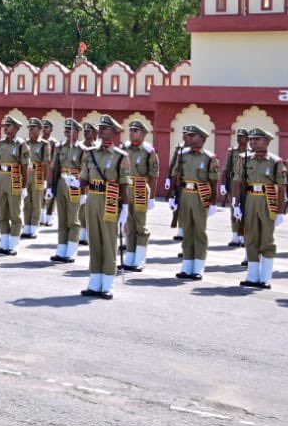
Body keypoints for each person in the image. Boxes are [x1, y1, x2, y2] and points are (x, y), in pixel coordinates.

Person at [77, 115, 134, 298]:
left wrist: (125, 207)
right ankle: (94, 282)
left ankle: (108, 283)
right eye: (100, 127)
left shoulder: (120, 156)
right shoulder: (89, 153)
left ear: (115, 132)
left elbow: (124, 184)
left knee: (109, 242)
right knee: (94, 241)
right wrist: (75, 183)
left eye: (106, 128)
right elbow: (84, 179)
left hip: (110, 198)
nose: (101, 130)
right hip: (93, 198)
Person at [231, 127, 286, 290]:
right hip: (249, 200)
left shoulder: (276, 161)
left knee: (266, 239)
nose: (253, 142)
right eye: (252, 140)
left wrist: (281, 211)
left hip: (268, 201)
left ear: (267, 141)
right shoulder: (244, 158)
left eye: (257, 139)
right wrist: (236, 204)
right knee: (250, 237)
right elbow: (237, 182)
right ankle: (253, 275)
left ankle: (265, 277)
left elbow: (282, 188)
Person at [165, 125, 218, 280]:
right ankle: (187, 266)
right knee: (187, 230)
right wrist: (174, 197)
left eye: (193, 136)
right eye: (188, 136)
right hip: (185, 195)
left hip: (200, 195)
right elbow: (177, 177)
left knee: (199, 231)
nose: (189, 138)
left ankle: (198, 267)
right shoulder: (183, 155)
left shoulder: (209, 158)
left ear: (202, 138)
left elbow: (213, 182)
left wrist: (213, 203)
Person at [120, 120, 158, 273]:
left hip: (141, 188)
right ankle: (130, 256)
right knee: (128, 224)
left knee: (140, 225)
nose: (132, 133)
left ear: (143, 134)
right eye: (131, 130)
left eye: (135, 130)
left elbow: (154, 175)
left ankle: (140, 259)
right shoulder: (124, 148)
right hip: (126, 188)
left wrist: (152, 198)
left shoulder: (149, 151)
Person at [49, 120, 86, 263]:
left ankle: (71, 251)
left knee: (73, 219)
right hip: (61, 182)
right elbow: (54, 167)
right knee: (62, 219)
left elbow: (85, 172)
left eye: (69, 129)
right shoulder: (59, 147)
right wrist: (51, 186)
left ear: (77, 132)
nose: (66, 132)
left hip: (75, 183)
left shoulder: (82, 150)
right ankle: (61, 250)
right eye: (65, 129)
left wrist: (83, 192)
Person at [0, 114, 27, 255]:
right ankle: (4, 243)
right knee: (2, 213)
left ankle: (14, 244)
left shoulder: (21, 145)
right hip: (0, 177)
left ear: (16, 128)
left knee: (15, 213)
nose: (5, 128)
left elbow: (24, 168)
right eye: (5, 125)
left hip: (15, 178)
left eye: (9, 125)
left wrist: (24, 186)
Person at [220, 128, 250, 247]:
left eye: (242, 136)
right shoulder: (232, 151)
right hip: (234, 183)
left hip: (247, 183)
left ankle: (243, 235)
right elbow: (225, 168)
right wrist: (223, 184)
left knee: (246, 209)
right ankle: (235, 236)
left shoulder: (251, 152)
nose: (239, 138)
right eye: (238, 136)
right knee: (234, 209)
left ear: (247, 139)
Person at [22, 119, 49, 238]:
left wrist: (45, 179)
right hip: (26, 173)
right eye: (29, 127)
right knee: (26, 202)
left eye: (33, 127)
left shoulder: (44, 144)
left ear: (40, 129)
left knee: (37, 202)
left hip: (38, 173)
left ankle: (33, 228)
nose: (30, 130)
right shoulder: (24, 143)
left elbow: (45, 163)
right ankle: (26, 227)